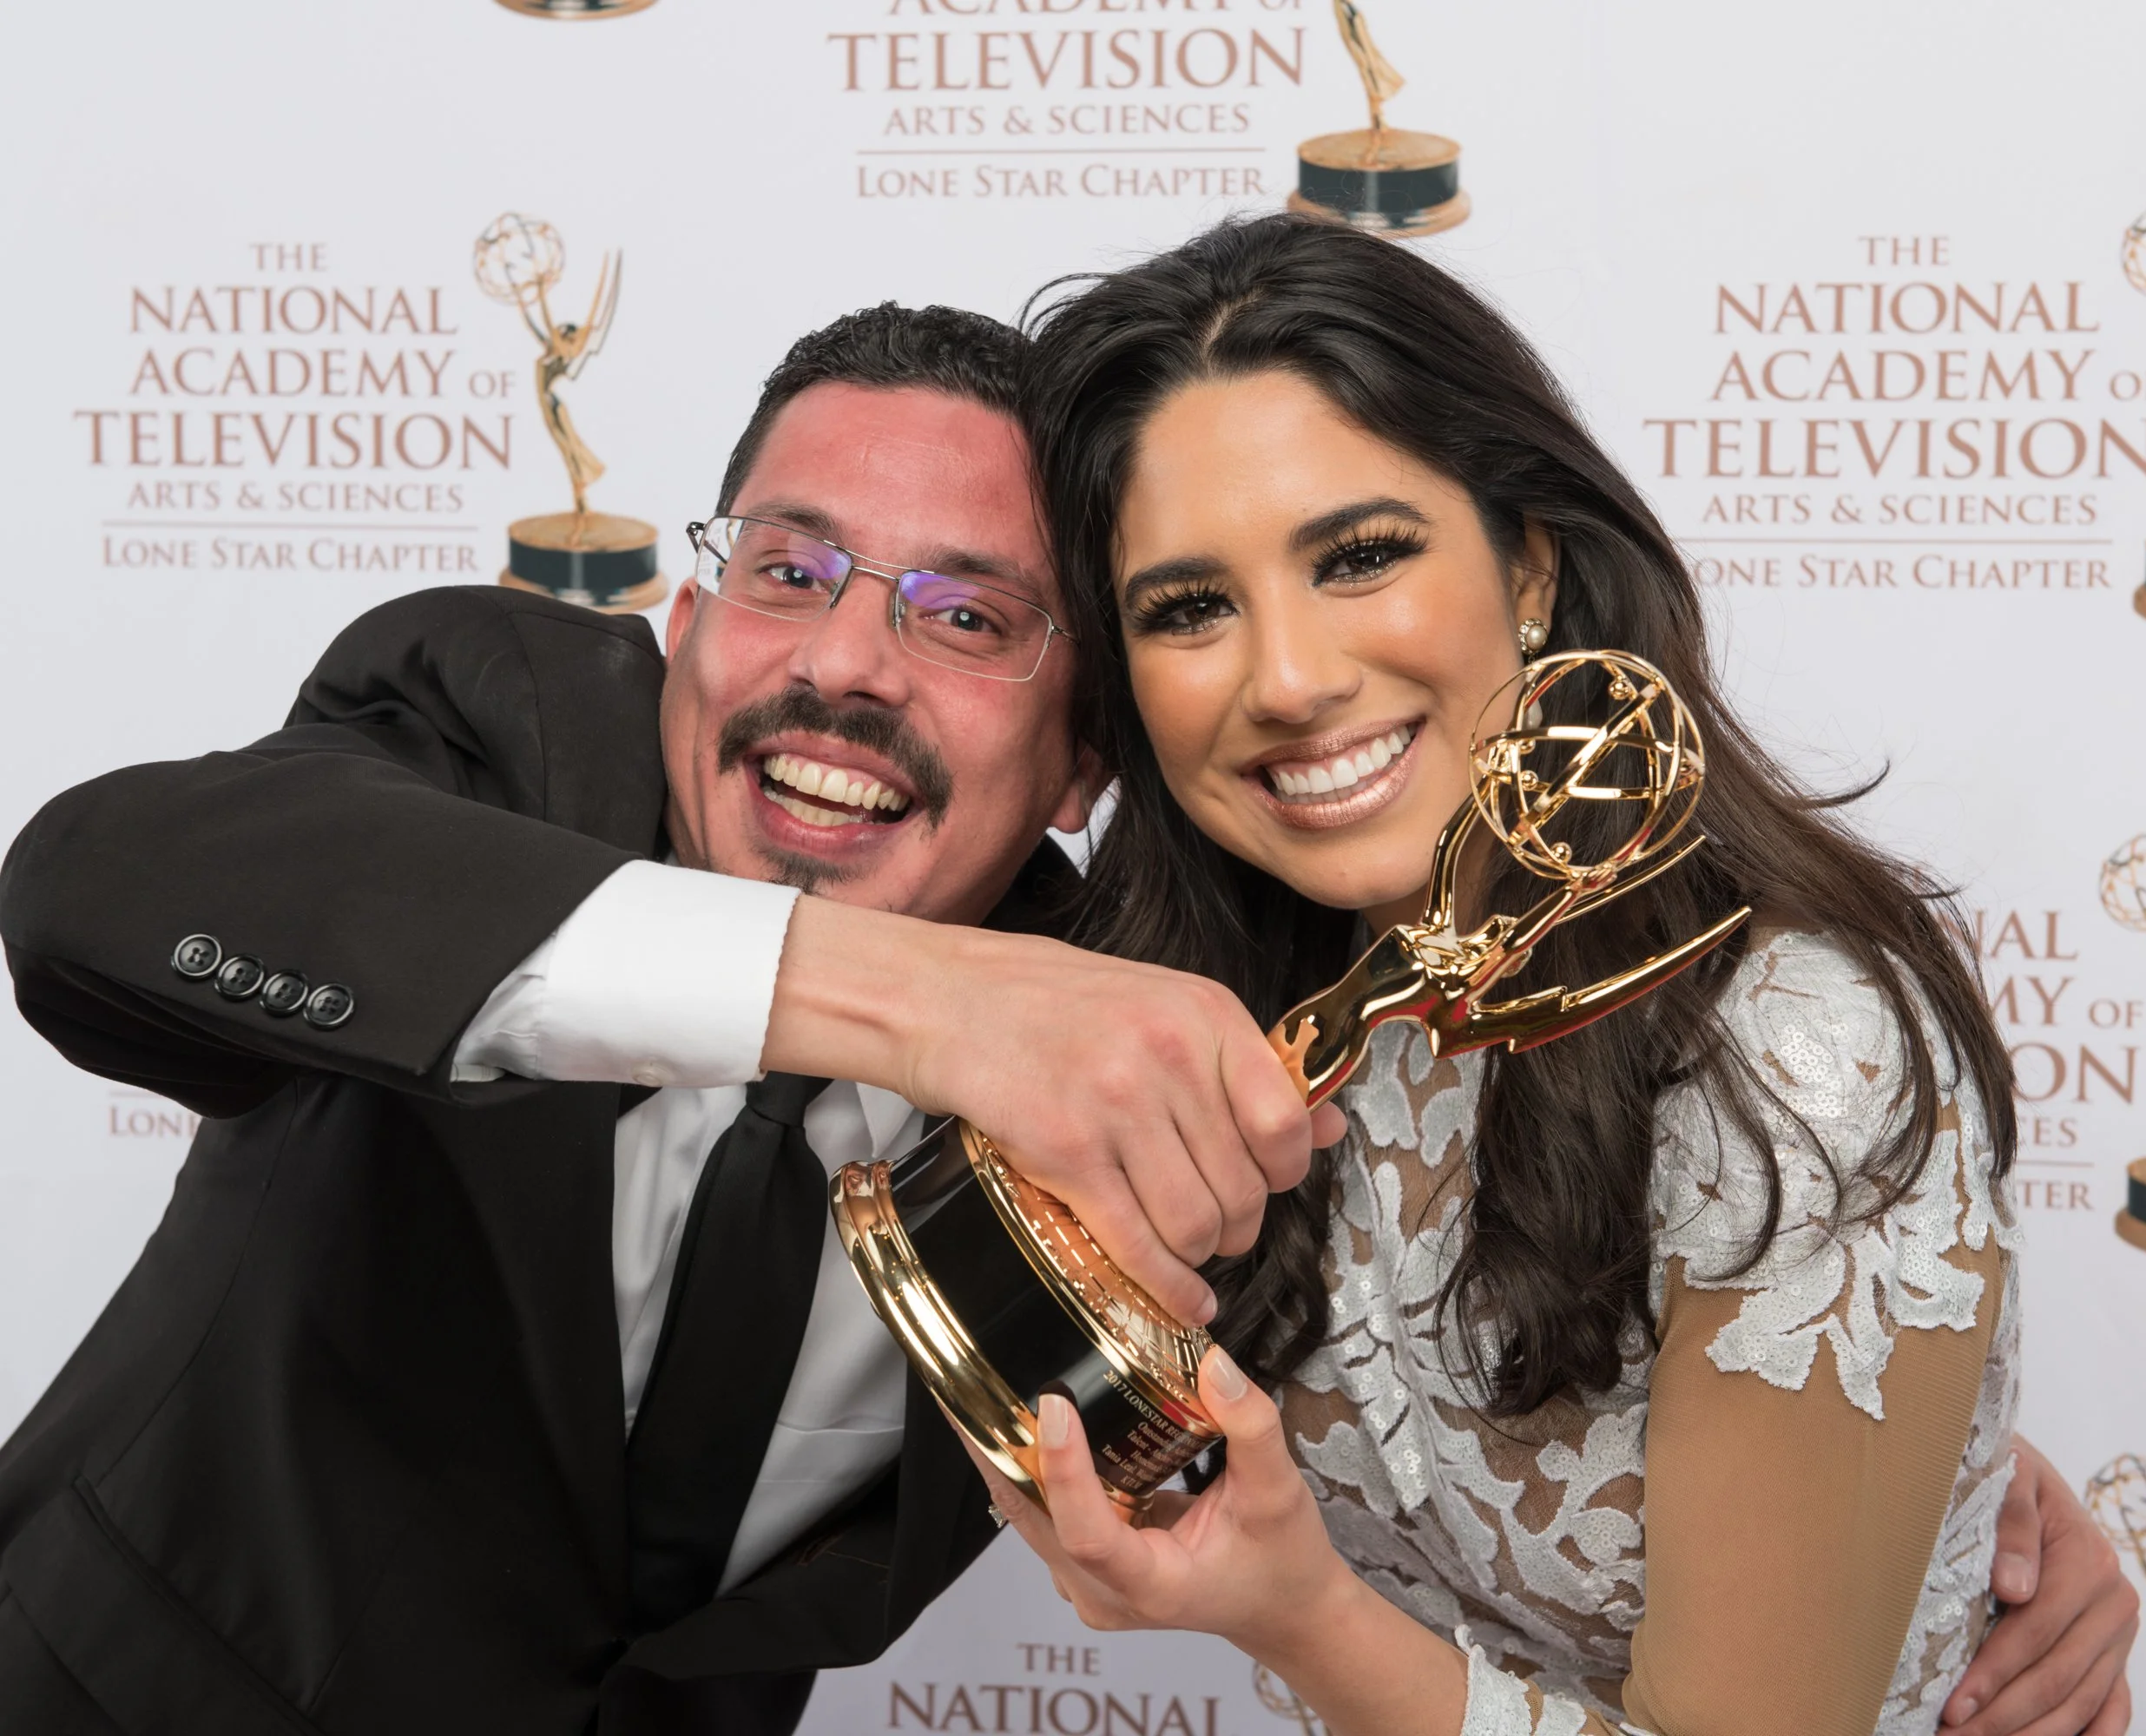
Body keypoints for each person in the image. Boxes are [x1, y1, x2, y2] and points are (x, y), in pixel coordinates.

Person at [0, 304, 1327, 1734]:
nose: (847, 665)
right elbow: (95, 889)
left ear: (1082, 763)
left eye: (967, 618)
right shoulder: (502, 729)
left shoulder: (1136, 1044)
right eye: (789, 572)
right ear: (686, 630)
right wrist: (923, 1000)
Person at [969, 215, 2141, 1736]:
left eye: (1362, 557)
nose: (1290, 679)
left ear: (1528, 563)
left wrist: (1298, 1616)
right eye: (1189, 608)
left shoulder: (1794, 1053)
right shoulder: (1196, 1014)